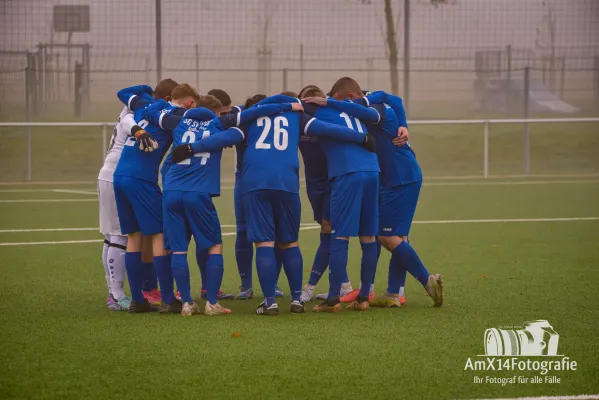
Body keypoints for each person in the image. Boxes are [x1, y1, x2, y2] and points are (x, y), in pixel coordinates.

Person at [176, 94, 376, 315]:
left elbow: (223, 139)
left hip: (255, 184)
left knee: (264, 244)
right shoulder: (294, 116)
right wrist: (361, 137)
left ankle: (269, 302)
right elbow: (328, 129)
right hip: (287, 183)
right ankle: (297, 300)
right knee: (290, 243)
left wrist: (191, 148)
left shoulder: (248, 118)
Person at [323, 77, 443, 307]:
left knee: (385, 236)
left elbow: (383, 102)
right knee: (398, 235)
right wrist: (404, 124)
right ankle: (394, 293)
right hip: (395, 177)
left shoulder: (372, 106)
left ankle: (427, 279)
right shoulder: (375, 98)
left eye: (342, 102)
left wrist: (327, 104)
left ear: (350, 98)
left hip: (401, 177)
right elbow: (394, 99)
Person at [113, 83, 199, 313]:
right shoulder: (176, 116)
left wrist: (146, 88)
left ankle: (138, 301)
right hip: (141, 178)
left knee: (134, 236)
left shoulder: (146, 105)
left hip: (119, 175)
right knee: (159, 234)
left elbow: (123, 92)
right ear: (189, 102)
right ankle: (168, 300)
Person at [301, 89, 381, 312]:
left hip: (347, 172)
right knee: (368, 237)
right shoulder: (351, 110)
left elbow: (297, 107)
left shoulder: (317, 111)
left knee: (339, 236)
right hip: (373, 170)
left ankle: (333, 299)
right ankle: (364, 297)